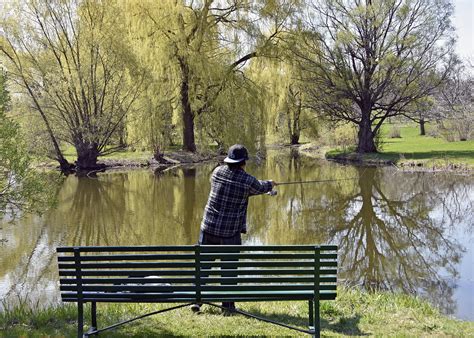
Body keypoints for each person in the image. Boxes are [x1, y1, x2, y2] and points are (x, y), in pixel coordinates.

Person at [191, 144, 277, 314]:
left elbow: (235, 188)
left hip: (208, 228)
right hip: (229, 234)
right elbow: (259, 186)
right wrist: (271, 184)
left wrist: (259, 189)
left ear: (229, 160)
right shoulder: (247, 181)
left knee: (203, 267)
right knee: (228, 271)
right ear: (243, 162)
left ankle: (196, 301)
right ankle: (227, 306)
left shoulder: (216, 172)